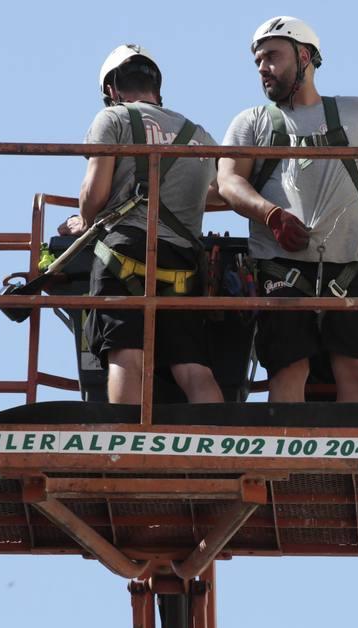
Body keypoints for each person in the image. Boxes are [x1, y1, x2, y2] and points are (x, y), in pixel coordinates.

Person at [217, 16, 358, 402]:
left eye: (272, 57)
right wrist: (271, 215)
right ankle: (282, 463)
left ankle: (352, 463)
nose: (263, 69)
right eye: (257, 62)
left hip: (346, 268)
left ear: (303, 56)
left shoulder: (357, 114)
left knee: (355, 370)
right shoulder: (252, 123)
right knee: (289, 368)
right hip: (280, 270)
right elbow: (228, 181)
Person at [62, 44, 225, 404]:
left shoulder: (113, 119)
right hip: (181, 260)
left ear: (111, 90)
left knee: (127, 358)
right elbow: (221, 193)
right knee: (193, 366)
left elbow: (95, 195)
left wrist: (83, 220)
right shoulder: (198, 135)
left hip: (124, 253)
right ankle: (220, 452)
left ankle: (127, 452)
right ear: (157, 86)